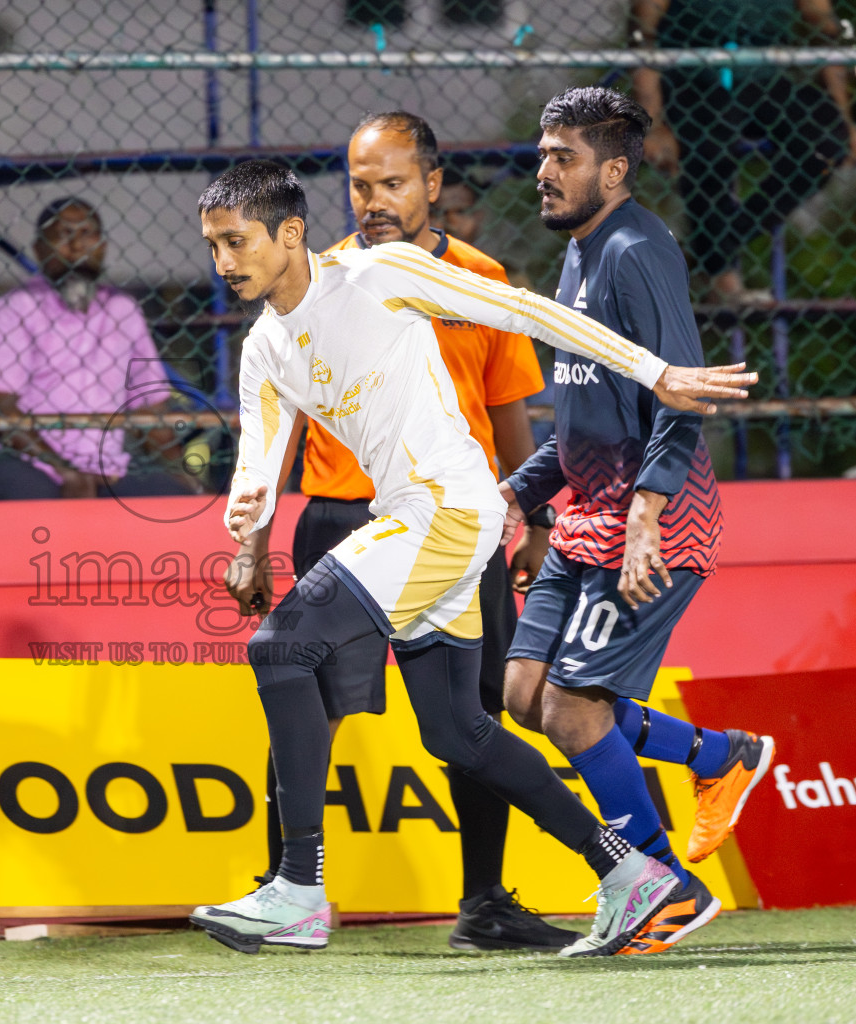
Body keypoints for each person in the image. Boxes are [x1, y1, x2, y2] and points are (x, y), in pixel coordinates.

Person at [187, 159, 755, 957]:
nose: (223, 262)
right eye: (212, 245)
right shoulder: (264, 347)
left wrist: (656, 372)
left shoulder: (379, 275)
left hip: (447, 511)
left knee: (281, 648)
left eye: (235, 242)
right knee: (458, 732)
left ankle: (298, 889)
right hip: (424, 521)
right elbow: (260, 457)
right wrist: (246, 514)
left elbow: (524, 310)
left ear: (289, 234)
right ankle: (638, 881)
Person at [224, 112, 574, 952]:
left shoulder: (478, 278)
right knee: (304, 699)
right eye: (359, 183)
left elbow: (507, 411)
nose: (374, 198)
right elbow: (275, 427)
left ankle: (483, 902)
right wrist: (250, 541)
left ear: (432, 184)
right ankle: (288, 888)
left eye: (392, 182)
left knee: (468, 720)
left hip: (452, 521)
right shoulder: (326, 278)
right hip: (340, 517)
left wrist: (530, 519)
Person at [502, 87, 776, 957]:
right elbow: (587, 411)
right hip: (585, 510)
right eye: (544, 154)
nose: (544, 172)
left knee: (574, 710)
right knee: (522, 699)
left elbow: (681, 390)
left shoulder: (634, 250)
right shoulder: (580, 254)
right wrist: (518, 492)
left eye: (564, 157)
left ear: (613, 171)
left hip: (653, 517)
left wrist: (650, 517)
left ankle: (660, 886)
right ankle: (719, 757)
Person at [0, 198, 199, 500]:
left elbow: (150, 406)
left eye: (87, 234)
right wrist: (64, 470)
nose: (76, 245)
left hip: (106, 466)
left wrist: (186, 479)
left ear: (103, 246)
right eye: (62, 234)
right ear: (39, 249)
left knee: (170, 503)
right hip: (19, 457)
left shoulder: (123, 311)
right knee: (36, 506)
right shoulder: (11, 311)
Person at [631, 0, 856, 302]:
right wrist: (653, 123)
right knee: (709, 146)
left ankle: (715, 247)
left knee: (826, 141)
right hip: (693, 79)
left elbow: (828, 33)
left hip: (763, 81)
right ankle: (721, 276)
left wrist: (846, 121)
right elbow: (643, 35)